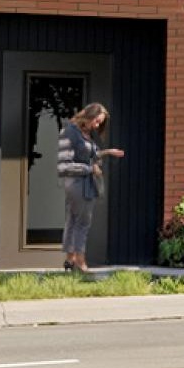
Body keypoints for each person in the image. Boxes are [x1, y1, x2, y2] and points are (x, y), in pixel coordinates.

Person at [57, 102, 124, 273]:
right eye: (97, 121)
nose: (97, 126)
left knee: (73, 221)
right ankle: (81, 262)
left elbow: (89, 155)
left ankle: (69, 262)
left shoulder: (84, 133)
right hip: (77, 184)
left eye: (100, 123)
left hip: (84, 184)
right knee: (82, 223)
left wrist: (108, 152)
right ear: (89, 116)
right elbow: (63, 166)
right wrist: (90, 169)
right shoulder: (69, 132)